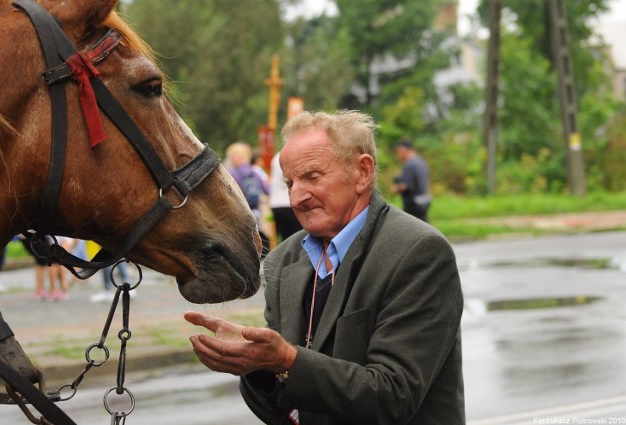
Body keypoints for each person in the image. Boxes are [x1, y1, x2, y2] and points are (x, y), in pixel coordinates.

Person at [185, 110, 465, 424]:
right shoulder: (284, 259)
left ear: (362, 172)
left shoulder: (418, 252)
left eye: (312, 177)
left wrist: (286, 360)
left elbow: (393, 397)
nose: (297, 197)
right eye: (290, 182)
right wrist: (257, 365)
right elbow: (279, 411)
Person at [226, 141, 271, 256]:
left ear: (237, 157)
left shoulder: (232, 173)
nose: (230, 159)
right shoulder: (255, 172)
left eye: (231, 156)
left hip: (239, 213)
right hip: (256, 212)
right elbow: (267, 190)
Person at [391, 138, 432, 222]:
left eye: (398, 151)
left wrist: (395, 189)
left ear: (404, 151)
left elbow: (405, 186)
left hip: (412, 204)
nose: (398, 154)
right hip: (423, 201)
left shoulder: (409, 164)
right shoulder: (421, 162)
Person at [269, 151, 302, 242]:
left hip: (276, 203)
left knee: (284, 239)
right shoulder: (293, 155)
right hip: (288, 203)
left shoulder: (276, 157)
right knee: (296, 239)